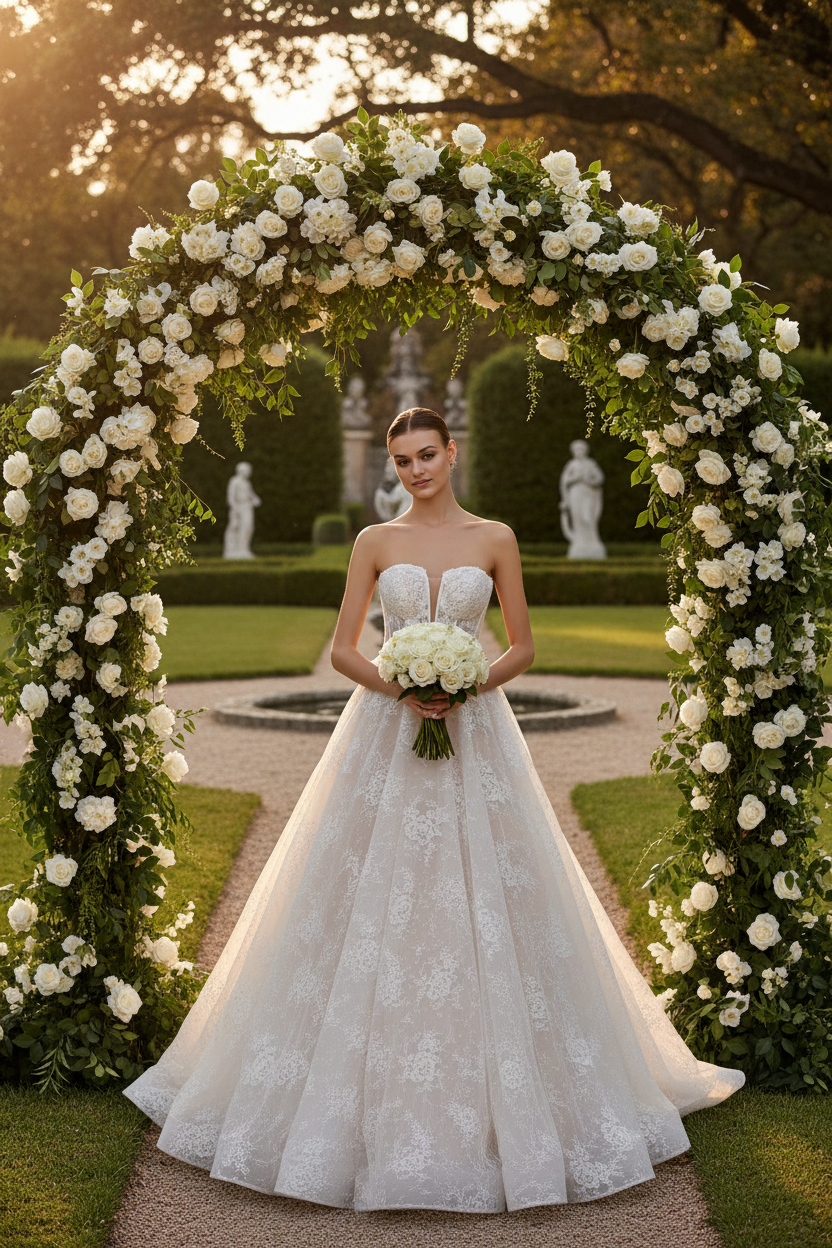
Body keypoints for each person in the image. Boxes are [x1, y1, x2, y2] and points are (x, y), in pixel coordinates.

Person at [122, 406, 744, 1213]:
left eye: (427, 455)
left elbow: (521, 644)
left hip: (477, 728)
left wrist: (465, 684)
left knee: (500, 889)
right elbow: (347, 646)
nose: (416, 470)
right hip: (384, 728)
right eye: (403, 460)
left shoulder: (497, 537)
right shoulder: (373, 543)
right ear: (395, 466)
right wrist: (404, 687)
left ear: (452, 452)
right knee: (352, 889)